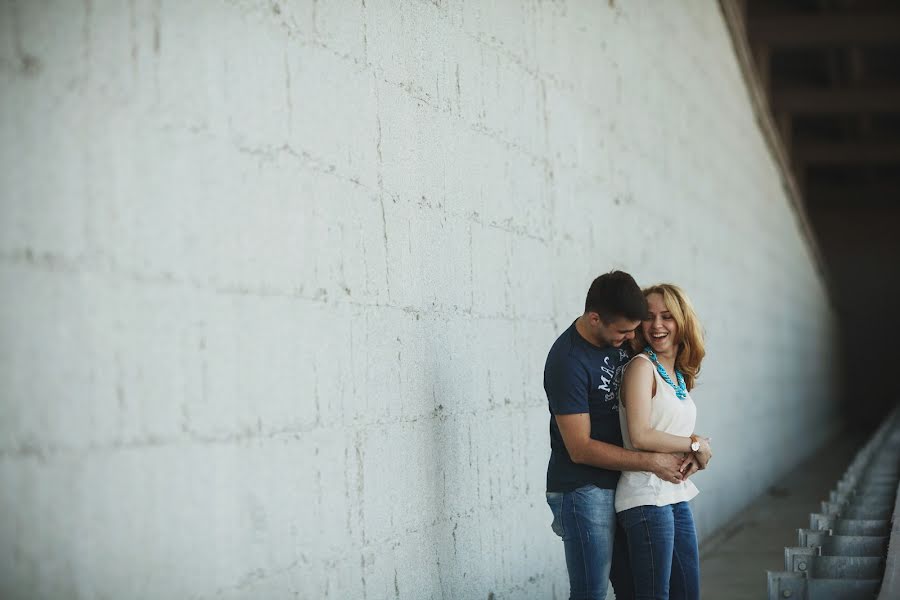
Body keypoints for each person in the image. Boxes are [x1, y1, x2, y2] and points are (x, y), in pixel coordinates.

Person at [544, 271, 698, 600]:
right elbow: (580, 449)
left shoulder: (623, 339)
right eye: (624, 331)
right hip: (583, 487)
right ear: (595, 318)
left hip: (626, 483)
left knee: (633, 590)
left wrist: (688, 448)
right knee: (592, 592)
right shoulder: (567, 361)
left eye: (634, 329)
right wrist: (653, 462)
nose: (632, 337)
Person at [615, 284, 712, 600]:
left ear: (682, 321)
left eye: (667, 316)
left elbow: (670, 431)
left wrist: (694, 447)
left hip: (674, 495)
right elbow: (640, 434)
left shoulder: (678, 375)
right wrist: (694, 445)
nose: (657, 325)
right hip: (646, 498)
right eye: (650, 317)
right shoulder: (641, 367)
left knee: (688, 593)